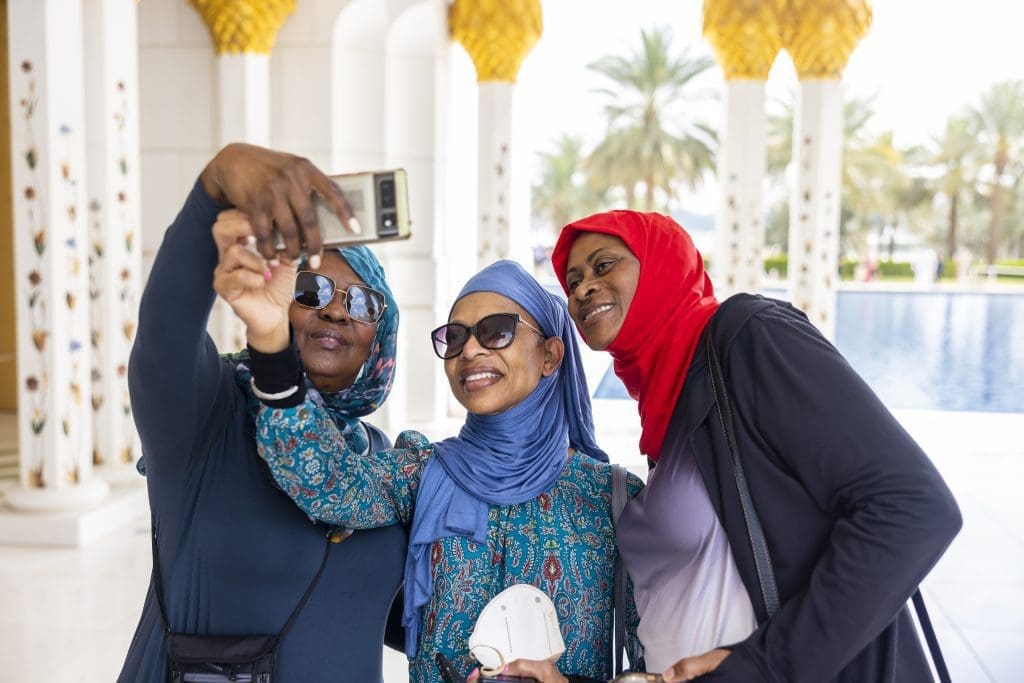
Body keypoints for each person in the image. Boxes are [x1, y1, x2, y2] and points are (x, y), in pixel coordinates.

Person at [550, 210, 962, 683]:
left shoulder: (749, 337)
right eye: (573, 281)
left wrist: (768, 665)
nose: (583, 289)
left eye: (604, 265)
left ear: (661, 264)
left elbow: (913, 506)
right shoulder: (673, 408)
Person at [223, 254, 644, 683]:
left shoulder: (612, 498)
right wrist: (271, 343)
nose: (471, 350)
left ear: (550, 355)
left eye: (497, 331)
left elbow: (659, 662)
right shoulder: (423, 472)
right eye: (455, 337)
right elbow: (330, 484)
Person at [118, 144, 407, 682]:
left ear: (381, 338)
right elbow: (164, 335)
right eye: (311, 289)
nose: (336, 310)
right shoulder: (210, 410)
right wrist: (214, 186)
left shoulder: (379, 457)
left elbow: (405, 619)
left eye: (363, 303)